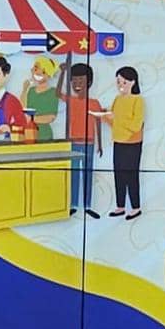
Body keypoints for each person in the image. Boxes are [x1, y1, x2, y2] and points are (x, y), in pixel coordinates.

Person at [91, 65, 144, 220]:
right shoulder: (117, 99)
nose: (121, 86)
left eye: (124, 82)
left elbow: (135, 125)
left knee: (131, 176)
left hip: (133, 143)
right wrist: (103, 115)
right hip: (118, 141)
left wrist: (117, 118)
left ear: (133, 82)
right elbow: (113, 123)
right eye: (119, 82)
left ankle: (135, 207)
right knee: (118, 175)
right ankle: (120, 206)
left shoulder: (138, 100)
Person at [57, 61, 102, 217]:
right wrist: (62, 73)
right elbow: (58, 93)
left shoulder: (94, 103)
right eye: (74, 81)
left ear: (88, 82)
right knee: (74, 174)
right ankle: (74, 204)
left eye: (80, 81)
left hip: (89, 143)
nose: (77, 84)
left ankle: (88, 205)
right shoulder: (71, 100)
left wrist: (100, 145)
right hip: (74, 143)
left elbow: (98, 123)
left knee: (88, 174)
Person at [20, 56, 60, 142]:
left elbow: (51, 117)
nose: (38, 73)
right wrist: (24, 90)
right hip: (29, 133)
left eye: (43, 71)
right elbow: (23, 107)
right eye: (35, 69)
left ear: (49, 74)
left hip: (44, 135)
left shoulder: (53, 92)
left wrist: (31, 120)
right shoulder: (30, 91)